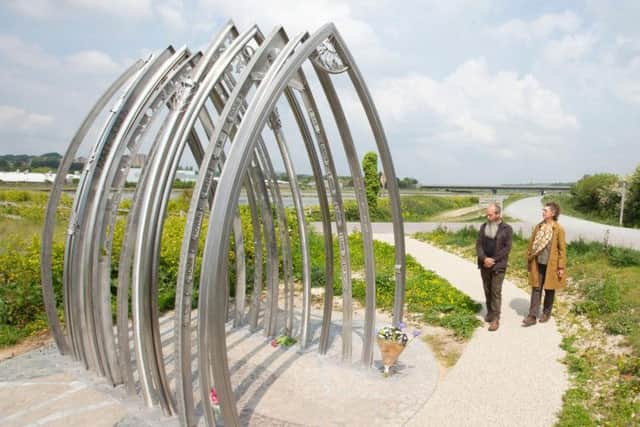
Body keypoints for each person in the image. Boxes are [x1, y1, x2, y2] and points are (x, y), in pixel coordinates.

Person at [522, 202, 567, 326]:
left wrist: (561, 267)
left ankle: (546, 313)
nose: (543, 212)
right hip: (537, 263)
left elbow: (562, 249)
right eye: (543, 210)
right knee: (536, 288)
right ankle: (532, 315)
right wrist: (529, 260)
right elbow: (532, 245)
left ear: (552, 213)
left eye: (545, 211)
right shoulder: (539, 227)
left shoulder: (558, 229)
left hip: (551, 265)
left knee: (549, 289)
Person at [476, 203, 513, 331]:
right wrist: (484, 258)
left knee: (495, 291)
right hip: (484, 264)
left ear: (498, 214)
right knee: (487, 290)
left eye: (490, 215)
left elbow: (507, 248)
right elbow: (479, 245)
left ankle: (496, 319)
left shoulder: (506, 229)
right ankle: (490, 312)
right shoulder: (484, 226)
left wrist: (493, 260)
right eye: (487, 214)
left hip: (498, 265)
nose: (488, 216)